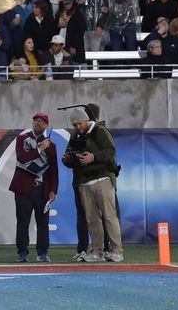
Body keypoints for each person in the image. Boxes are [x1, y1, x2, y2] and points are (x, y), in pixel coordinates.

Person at [63, 106, 122, 263]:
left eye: (79, 124)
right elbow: (71, 158)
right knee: (91, 219)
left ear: (86, 121)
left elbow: (110, 152)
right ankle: (97, 251)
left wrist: (93, 157)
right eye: (74, 125)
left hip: (103, 179)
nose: (77, 128)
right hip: (84, 182)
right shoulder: (75, 136)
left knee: (109, 216)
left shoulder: (100, 131)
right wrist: (67, 160)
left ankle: (116, 250)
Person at [10, 112, 59, 263]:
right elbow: (22, 158)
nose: (39, 123)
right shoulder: (22, 139)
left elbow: (53, 169)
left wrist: (53, 190)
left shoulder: (51, 145)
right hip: (24, 188)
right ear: (32, 122)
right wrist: (39, 149)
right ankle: (22, 252)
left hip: (42, 189)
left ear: (46, 126)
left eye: (42, 122)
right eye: (36, 120)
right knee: (23, 222)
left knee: (43, 223)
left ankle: (42, 253)